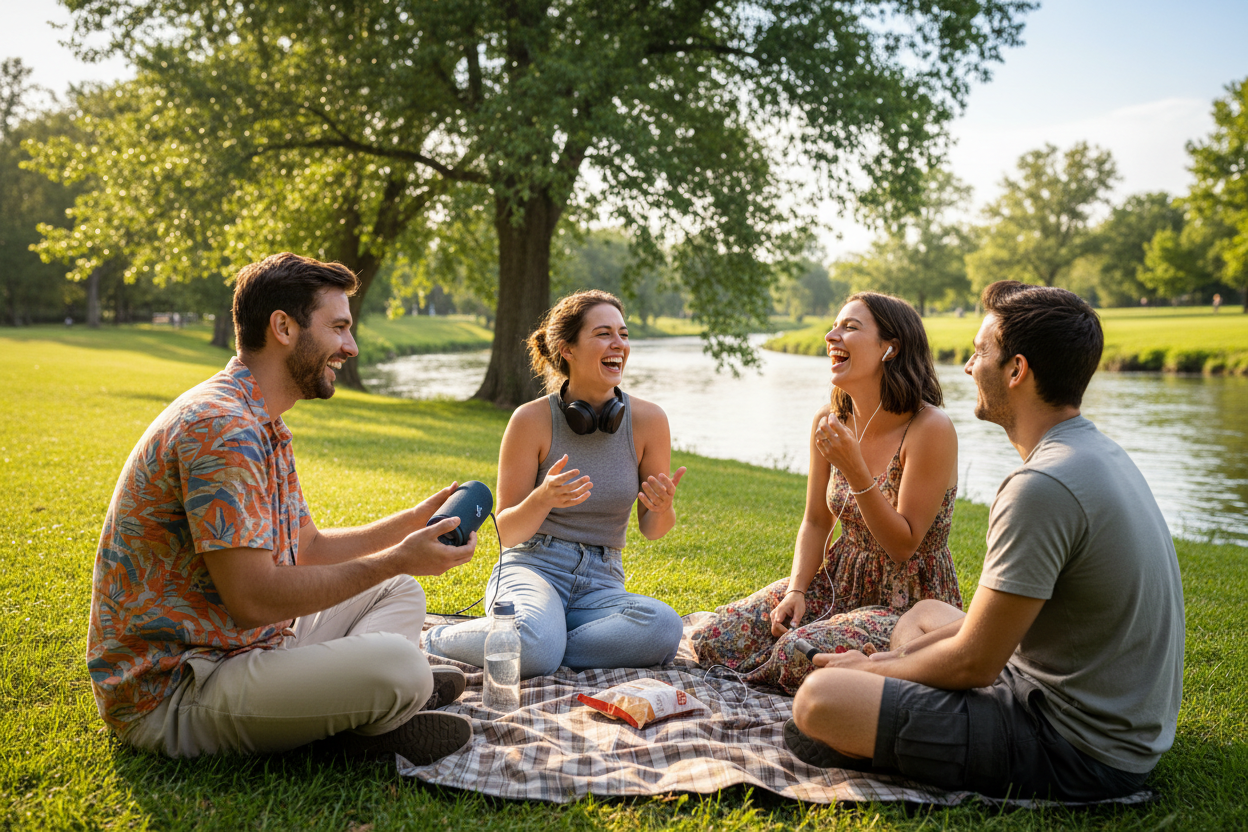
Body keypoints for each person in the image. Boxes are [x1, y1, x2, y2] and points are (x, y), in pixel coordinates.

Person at [785, 281, 1185, 801]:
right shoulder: (1095, 452)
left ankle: (873, 717)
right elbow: (989, 635)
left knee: (819, 701)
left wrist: (872, 668)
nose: (970, 368)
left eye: (980, 353)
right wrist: (885, 666)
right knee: (924, 614)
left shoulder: (1040, 488)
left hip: (1075, 747)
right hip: (1084, 704)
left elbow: (976, 663)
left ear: (1016, 370)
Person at [88, 252, 479, 763]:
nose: (351, 346)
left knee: (397, 590)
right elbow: (253, 598)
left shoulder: (262, 420)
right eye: (338, 327)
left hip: (243, 649)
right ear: (284, 328)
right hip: (175, 691)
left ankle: (347, 707)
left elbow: (308, 547)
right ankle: (354, 720)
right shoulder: (221, 428)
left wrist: (407, 528)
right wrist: (398, 555)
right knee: (401, 666)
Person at [690, 292, 960, 694]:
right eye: (834, 326)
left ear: (890, 348)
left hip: (906, 602)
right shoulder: (831, 418)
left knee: (796, 653)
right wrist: (797, 589)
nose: (831, 335)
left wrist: (855, 470)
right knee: (716, 639)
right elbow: (817, 520)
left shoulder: (929, 428)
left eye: (850, 327)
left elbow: (903, 545)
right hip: (837, 580)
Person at [424, 290, 687, 677]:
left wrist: (662, 508)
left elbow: (652, 529)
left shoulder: (649, 420)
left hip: (602, 579)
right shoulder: (530, 421)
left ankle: (545, 643)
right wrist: (543, 497)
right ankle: (435, 639)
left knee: (664, 627)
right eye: (603, 334)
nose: (619, 344)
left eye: (624, 334)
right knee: (533, 646)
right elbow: (508, 533)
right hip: (533, 565)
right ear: (567, 349)